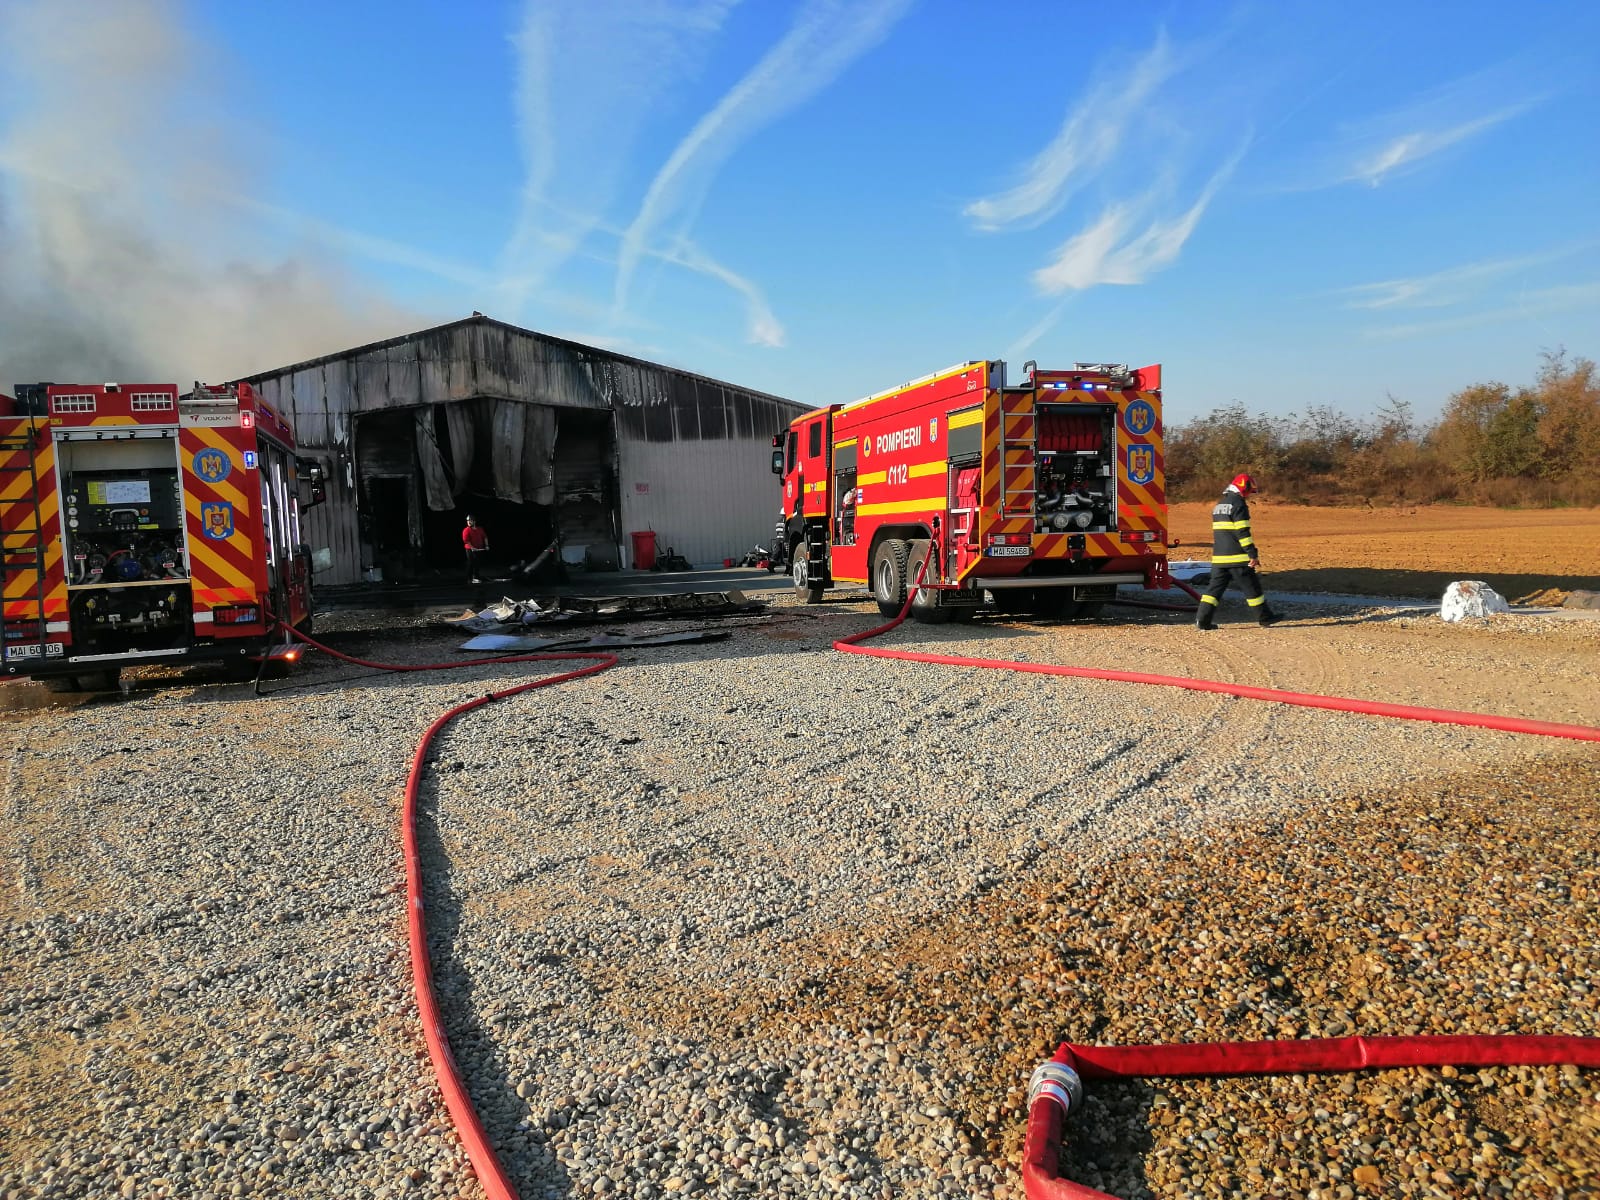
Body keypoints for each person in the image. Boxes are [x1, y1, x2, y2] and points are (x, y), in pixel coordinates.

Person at [1195, 473, 1280, 630]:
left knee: (1213, 590)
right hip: (1237, 557)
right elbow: (1242, 532)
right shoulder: (1239, 504)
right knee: (1251, 588)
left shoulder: (1219, 505)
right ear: (1243, 488)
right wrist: (1252, 554)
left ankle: (1202, 621)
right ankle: (1265, 618)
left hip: (1219, 558)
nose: (1249, 495)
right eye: (1249, 491)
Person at [462, 514, 489, 582]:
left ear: (474, 521)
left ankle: (476, 577)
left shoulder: (480, 529)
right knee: (471, 563)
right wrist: (472, 547)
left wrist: (486, 545)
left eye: (470, 520)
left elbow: (485, 537)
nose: (468, 522)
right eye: (467, 521)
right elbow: (466, 541)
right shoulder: (466, 530)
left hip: (479, 549)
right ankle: (469, 578)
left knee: (477, 563)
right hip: (470, 549)